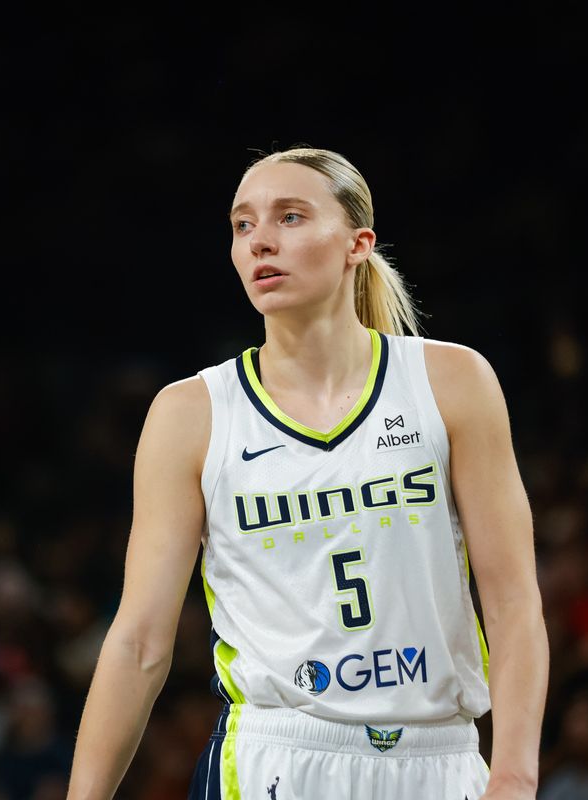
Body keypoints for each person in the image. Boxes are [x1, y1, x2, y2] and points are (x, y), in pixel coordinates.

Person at [65, 146, 549, 799]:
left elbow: (514, 600)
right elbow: (140, 642)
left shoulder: (452, 382)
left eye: (289, 217)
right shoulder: (191, 414)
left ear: (357, 243)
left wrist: (515, 774)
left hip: (441, 755)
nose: (261, 240)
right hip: (275, 758)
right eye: (243, 225)